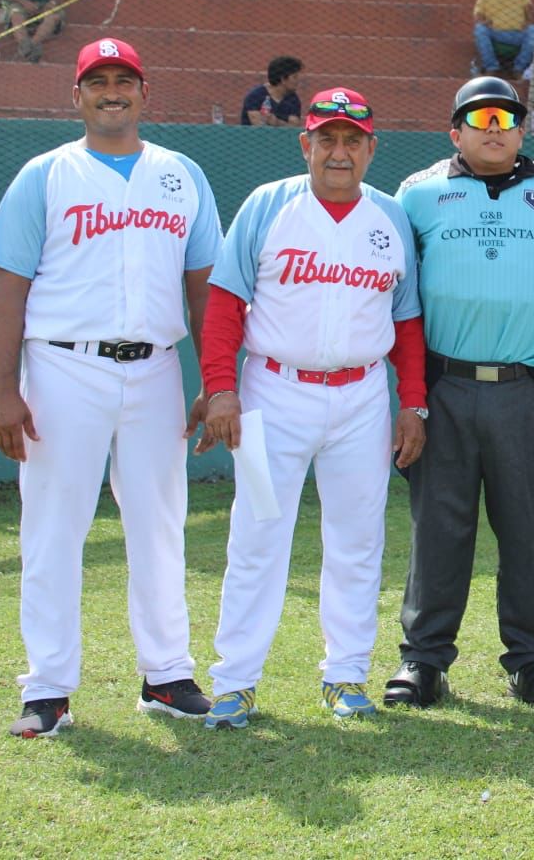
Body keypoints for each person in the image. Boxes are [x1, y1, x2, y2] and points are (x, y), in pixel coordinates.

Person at [0, 37, 223, 737]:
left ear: (146, 93)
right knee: (54, 526)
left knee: (159, 523)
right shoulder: (46, 175)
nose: (111, 91)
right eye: (98, 81)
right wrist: (3, 388)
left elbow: (203, 287)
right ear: (77, 95)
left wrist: (213, 379)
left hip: (154, 367)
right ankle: (49, 685)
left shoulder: (181, 175)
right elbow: (7, 291)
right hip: (63, 365)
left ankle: (168, 675)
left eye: (124, 80)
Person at [196, 88, 426, 729]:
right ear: (306, 144)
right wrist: (221, 388)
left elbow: (406, 321)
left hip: (361, 399)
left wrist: (414, 403)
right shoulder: (269, 205)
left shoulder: (390, 218)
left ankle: (347, 674)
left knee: (357, 540)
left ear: (371, 149)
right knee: (258, 537)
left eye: (353, 140)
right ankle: (236, 683)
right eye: (327, 138)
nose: (339, 151)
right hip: (275, 393)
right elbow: (224, 304)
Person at [387, 77, 534, 709]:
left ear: (522, 131)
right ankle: (423, 661)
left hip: (524, 386)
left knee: (527, 531)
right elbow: (397, 297)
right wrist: (412, 397)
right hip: (444, 385)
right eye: (479, 118)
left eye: (507, 117)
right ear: (455, 133)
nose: (494, 126)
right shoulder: (417, 196)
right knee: (439, 531)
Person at [472, 0, 534, 77]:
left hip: (518, 34)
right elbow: (478, 18)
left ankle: (519, 68)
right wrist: (485, 22)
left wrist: (528, 23)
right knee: (480, 29)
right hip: (496, 33)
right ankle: (492, 67)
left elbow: (530, 14)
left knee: (533, 30)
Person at [239, 55, 303, 127]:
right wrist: (284, 124)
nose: (298, 80)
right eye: (295, 77)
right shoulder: (256, 96)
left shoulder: (293, 99)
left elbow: (294, 126)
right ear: (283, 79)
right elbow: (258, 125)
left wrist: (276, 122)